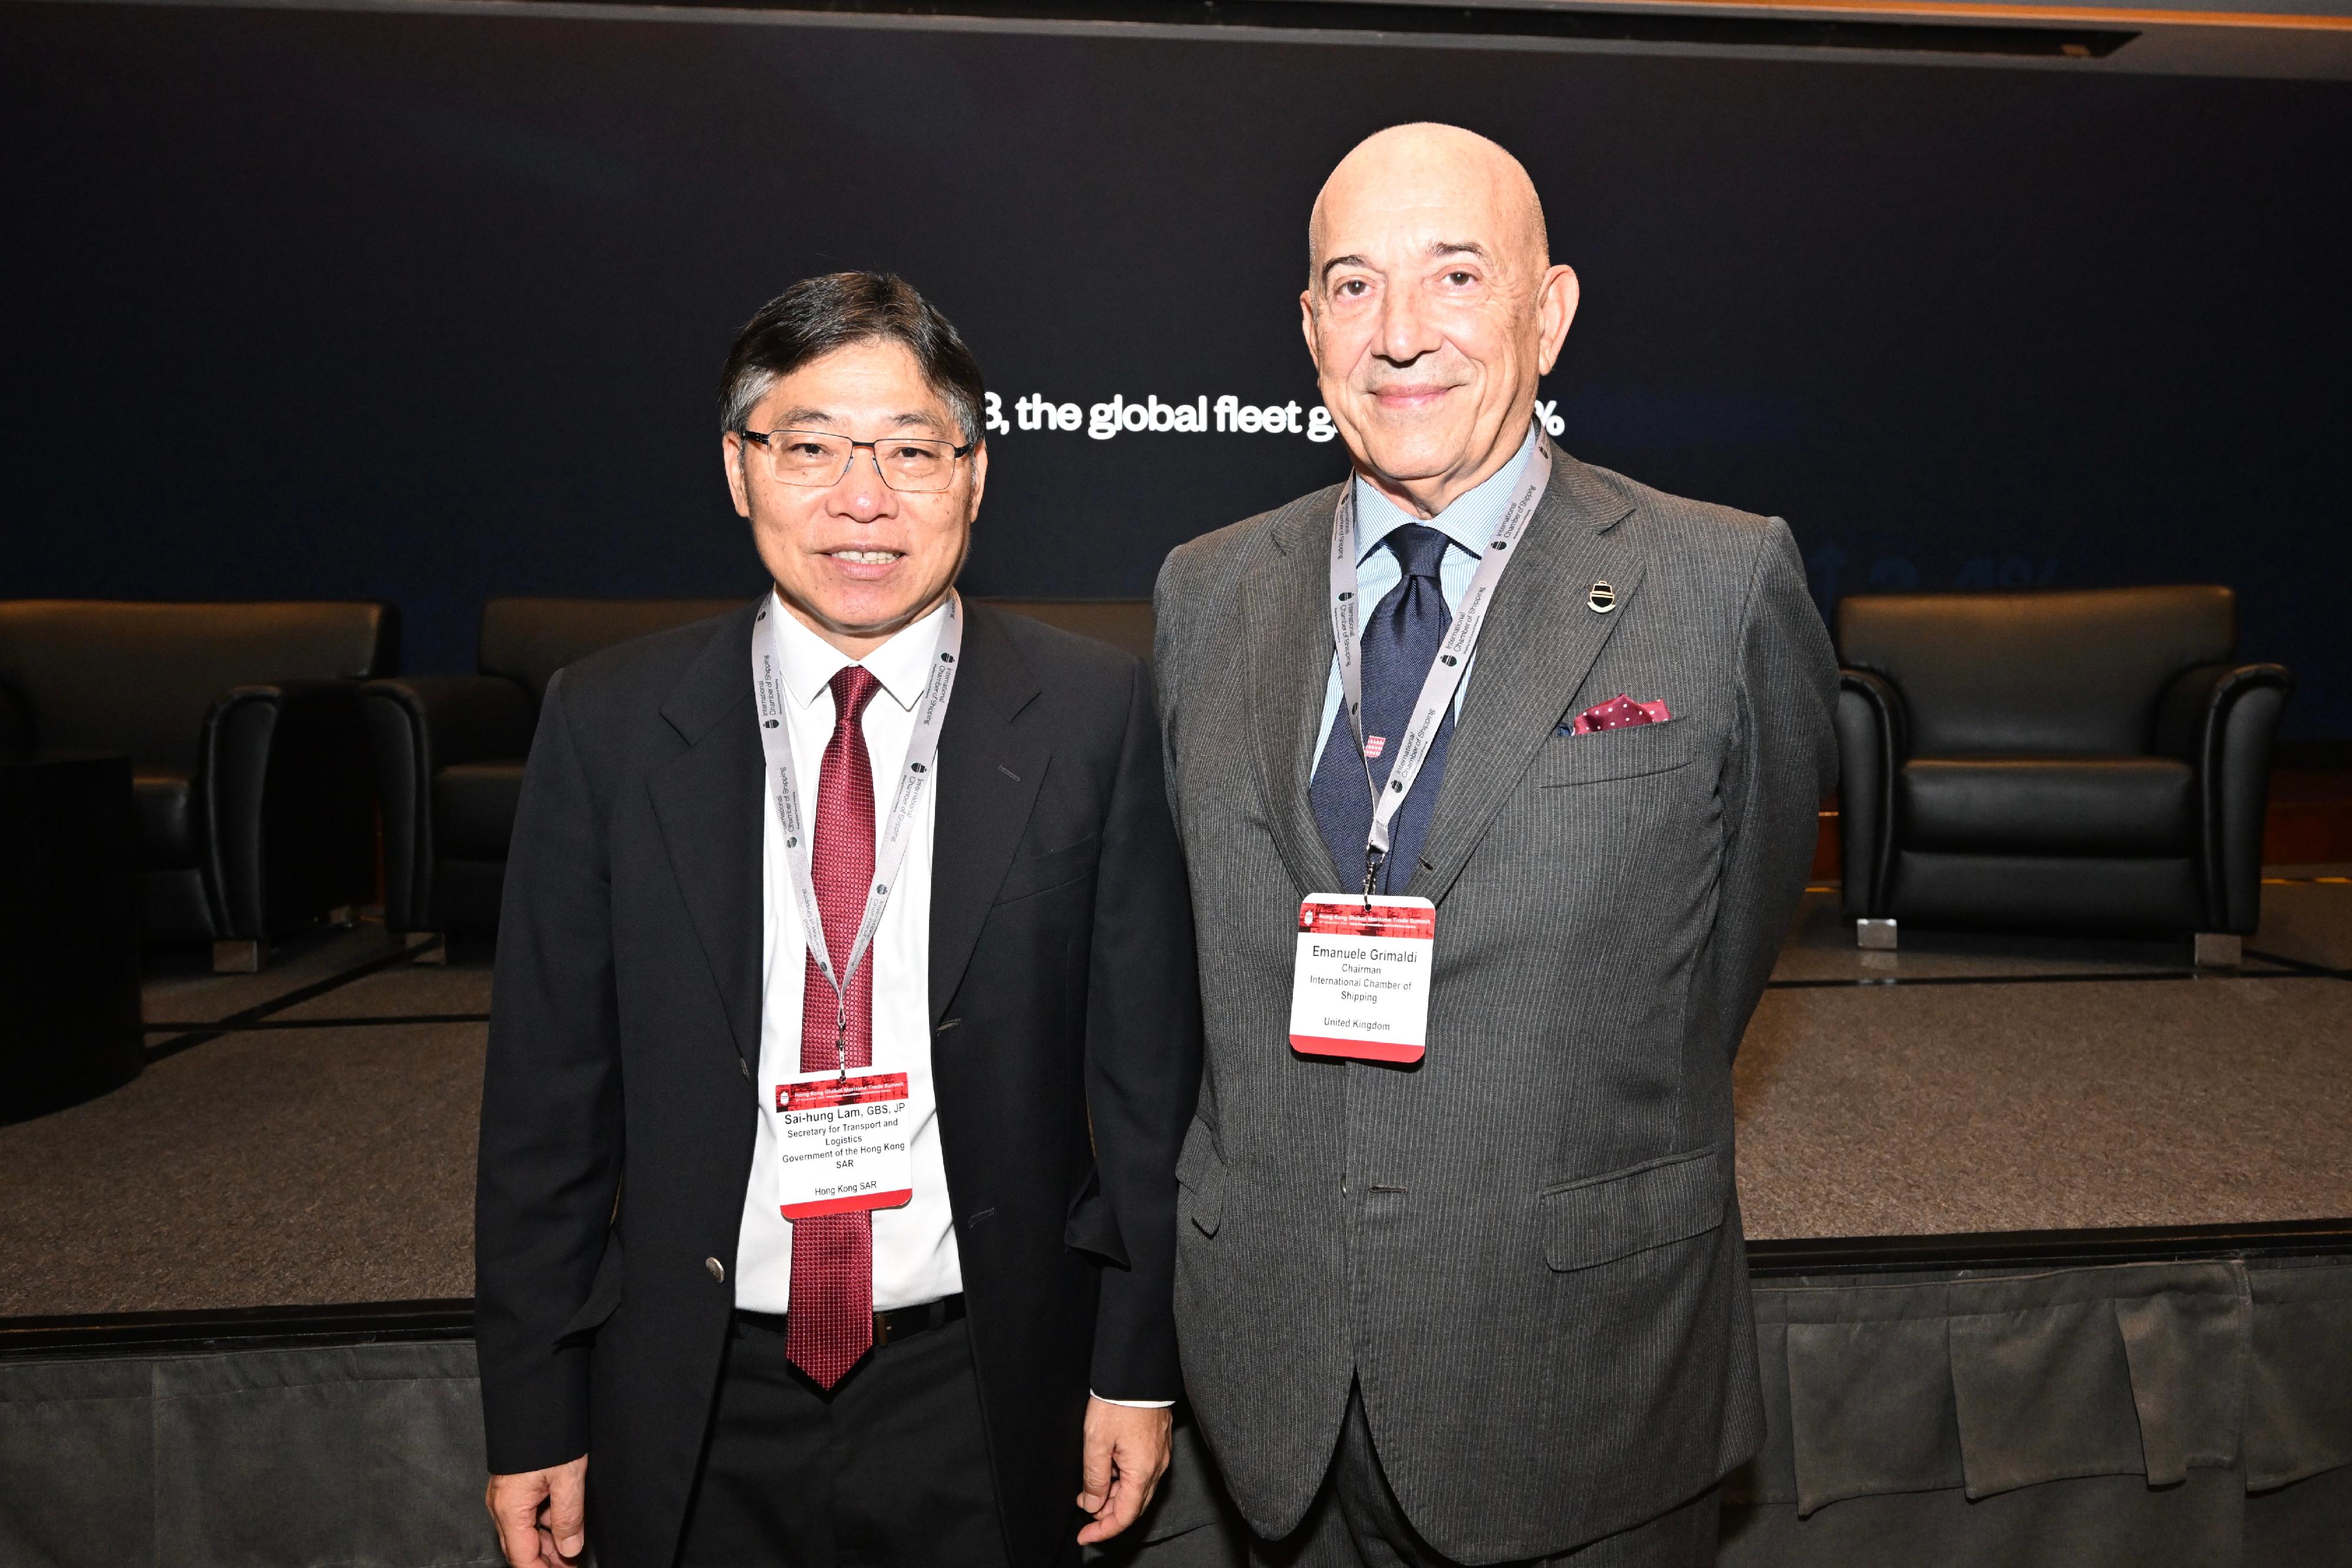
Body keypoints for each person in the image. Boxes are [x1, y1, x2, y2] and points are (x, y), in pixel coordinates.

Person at [1152, 125, 1838, 1566]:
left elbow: (1720, 961)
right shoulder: (1204, 591)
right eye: (1351, 286)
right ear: (1305, 325)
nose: (1398, 334)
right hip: (1265, 1391)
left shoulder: (1717, 580)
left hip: (1572, 1370)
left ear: (1549, 308)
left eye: (1455, 275)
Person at [475, 272, 1200, 1568]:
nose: (861, 498)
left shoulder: (1092, 718)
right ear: (738, 468)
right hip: (695, 1391)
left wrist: (1135, 1366)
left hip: (979, 1385)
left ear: (974, 476)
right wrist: (534, 1406)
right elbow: (546, 1101)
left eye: (911, 452)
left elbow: (1145, 1087)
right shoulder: (610, 722)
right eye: (809, 447)